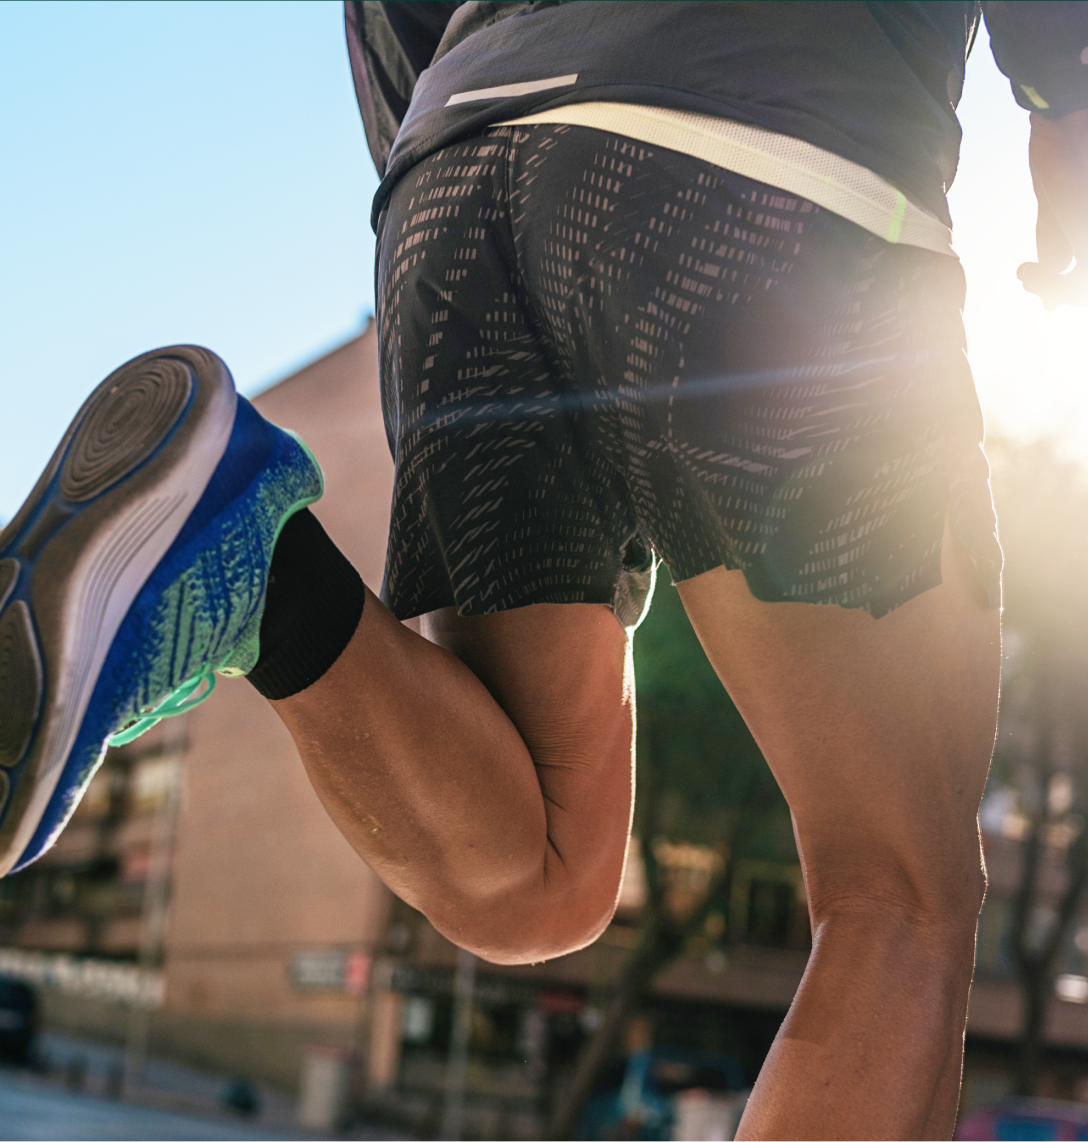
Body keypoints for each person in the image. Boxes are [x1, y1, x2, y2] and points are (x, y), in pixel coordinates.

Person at [1, 2, 1086, 1136]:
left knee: (538, 871)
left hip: (457, 177)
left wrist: (468, 144)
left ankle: (257, 576)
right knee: (897, 897)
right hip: (772, 152)